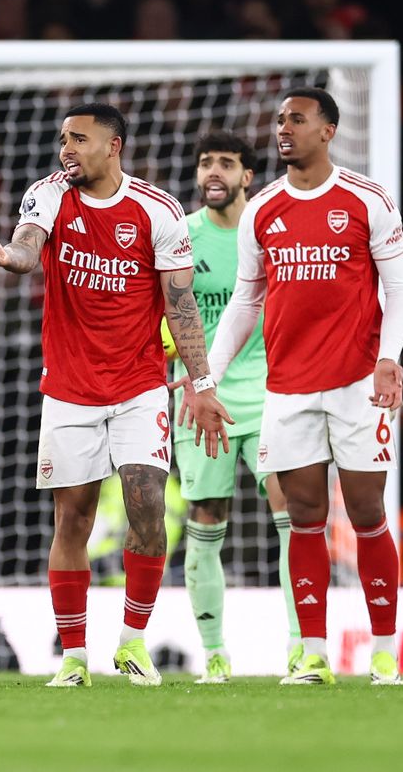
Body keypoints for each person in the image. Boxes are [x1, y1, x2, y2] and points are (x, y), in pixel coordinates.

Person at [0, 103, 230, 688]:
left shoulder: (157, 210)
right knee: (73, 519)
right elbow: (27, 248)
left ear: (114, 146)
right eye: (63, 138)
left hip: (139, 386)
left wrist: (202, 384)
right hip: (69, 389)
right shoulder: (49, 194)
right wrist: (6, 256)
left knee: (148, 506)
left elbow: (181, 305)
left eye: (79, 139)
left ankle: (132, 641)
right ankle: (74, 657)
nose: (67, 148)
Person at [196, 87, 403, 685]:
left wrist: (388, 358)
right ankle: (312, 653)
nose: (284, 129)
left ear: (328, 130)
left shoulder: (368, 200)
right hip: (287, 390)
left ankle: (385, 651)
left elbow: (399, 292)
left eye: (297, 119)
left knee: (367, 513)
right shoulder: (263, 209)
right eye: (280, 120)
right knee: (305, 517)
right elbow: (245, 302)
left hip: (357, 385)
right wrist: (208, 377)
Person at [171, 131, 299, 682]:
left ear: (248, 176)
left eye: (226, 163)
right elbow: (162, 313)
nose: (213, 172)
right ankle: (215, 654)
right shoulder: (181, 237)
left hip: (271, 390)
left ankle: (303, 647)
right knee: (206, 515)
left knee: (294, 509)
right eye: (205, 163)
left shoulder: (269, 229)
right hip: (202, 396)